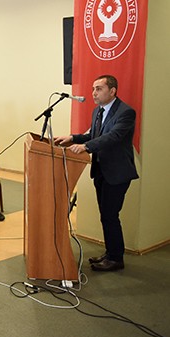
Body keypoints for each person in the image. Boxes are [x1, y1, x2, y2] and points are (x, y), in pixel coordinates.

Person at [54, 74, 138, 271]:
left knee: (110, 215)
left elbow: (113, 137)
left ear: (112, 91)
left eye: (99, 88)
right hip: (101, 171)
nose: (94, 93)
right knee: (106, 215)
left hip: (117, 172)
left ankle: (116, 258)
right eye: (93, 89)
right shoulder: (98, 111)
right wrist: (73, 138)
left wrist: (86, 147)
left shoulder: (126, 112)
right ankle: (110, 254)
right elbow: (93, 134)